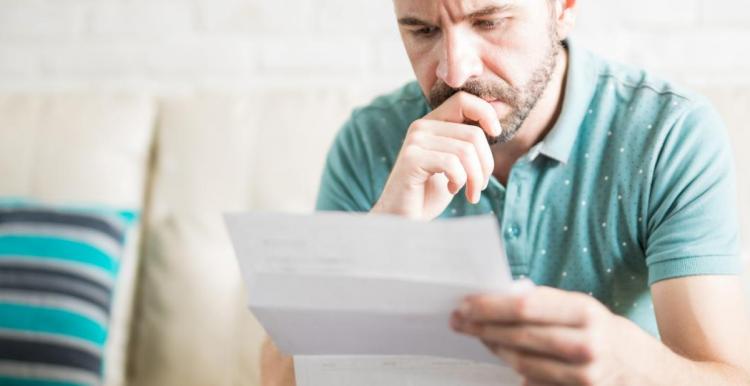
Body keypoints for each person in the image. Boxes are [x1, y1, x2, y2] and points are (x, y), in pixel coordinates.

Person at [262, 1, 750, 385]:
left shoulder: (668, 134)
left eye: (490, 20)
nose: (454, 71)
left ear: (564, 8)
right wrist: (385, 232)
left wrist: (624, 363)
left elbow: (727, 376)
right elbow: (279, 381)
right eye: (423, 31)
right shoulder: (371, 140)